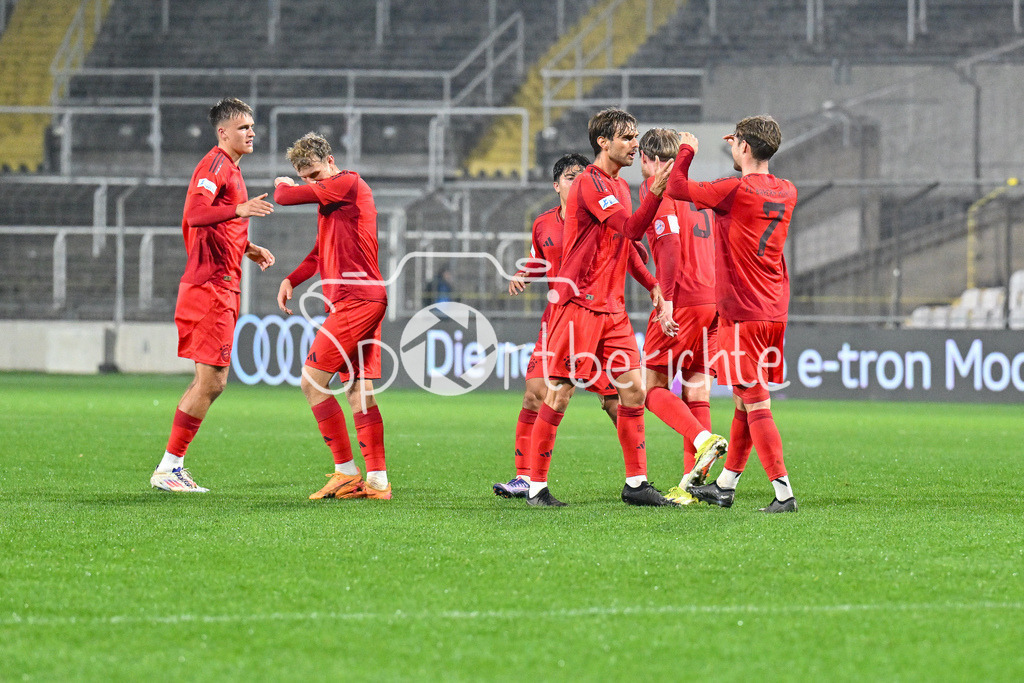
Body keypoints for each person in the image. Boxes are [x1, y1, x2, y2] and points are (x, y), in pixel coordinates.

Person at [523, 108, 726, 507]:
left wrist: (651, 284)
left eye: (635, 137)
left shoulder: (619, 186)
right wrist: (658, 188)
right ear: (603, 142)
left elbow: (626, 245)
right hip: (579, 304)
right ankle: (535, 486)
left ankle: (635, 484)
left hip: (613, 310)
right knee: (559, 393)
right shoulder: (590, 182)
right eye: (627, 137)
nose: (635, 143)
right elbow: (633, 229)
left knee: (633, 392)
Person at [668, 115, 799, 513]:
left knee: (755, 401)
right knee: (744, 400)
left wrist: (687, 149)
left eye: (733, 142)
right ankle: (726, 485)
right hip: (774, 308)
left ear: (743, 146)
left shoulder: (733, 189)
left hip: (743, 309)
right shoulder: (788, 190)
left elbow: (675, 187)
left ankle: (783, 493)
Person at [151, 97, 276, 493]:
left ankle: (172, 466)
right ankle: (169, 467)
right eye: (243, 127)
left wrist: (248, 247)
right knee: (212, 382)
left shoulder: (232, 170)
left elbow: (220, 224)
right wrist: (239, 210)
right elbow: (195, 214)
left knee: (211, 381)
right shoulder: (216, 165)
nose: (251, 132)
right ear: (223, 132)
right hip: (209, 287)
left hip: (221, 284)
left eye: (252, 126)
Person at [493, 153, 621, 498]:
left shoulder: (600, 218)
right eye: (569, 176)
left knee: (615, 402)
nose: (576, 181)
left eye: (582, 175)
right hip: (557, 321)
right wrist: (525, 274)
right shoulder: (542, 224)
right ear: (556, 185)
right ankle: (524, 478)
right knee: (534, 394)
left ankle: (637, 475)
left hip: (596, 319)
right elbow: (541, 260)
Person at [274, 132, 391, 501]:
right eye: (304, 177)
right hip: (362, 299)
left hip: (356, 299)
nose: (311, 183)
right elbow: (317, 254)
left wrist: (284, 183)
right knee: (359, 392)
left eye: (313, 174)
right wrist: (291, 279)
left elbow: (283, 196)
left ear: (329, 159)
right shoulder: (332, 199)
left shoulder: (346, 183)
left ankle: (345, 471)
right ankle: (377, 481)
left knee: (312, 382)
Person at [636, 128, 721, 505]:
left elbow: (668, 245)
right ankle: (693, 487)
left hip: (682, 299)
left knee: (649, 387)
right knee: (697, 390)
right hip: (713, 300)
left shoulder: (656, 189)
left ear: (648, 159)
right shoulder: (696, 190)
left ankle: (704, 440)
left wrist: (666, 299)